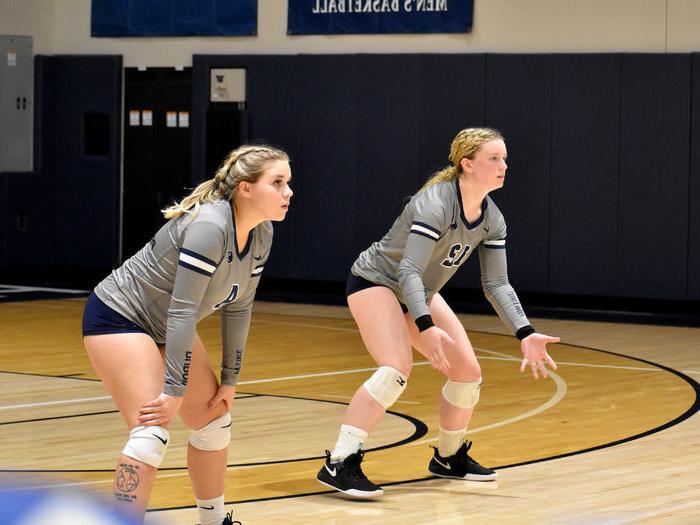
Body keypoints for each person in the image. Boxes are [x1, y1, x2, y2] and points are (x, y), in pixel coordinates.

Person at [316, 127, 559, 498]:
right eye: (494, 158)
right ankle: (340, 461)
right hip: (375, 282)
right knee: (396, 369)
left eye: (505, 158)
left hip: (419, 292)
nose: (504, 166)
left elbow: (496, 284)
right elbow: (407, 271)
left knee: (468, 373)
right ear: (467, 164)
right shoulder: (436, 203)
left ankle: (449, 457)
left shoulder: (493, 218)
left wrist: (525, 332)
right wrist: (425, 327)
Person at [83, 144, 292, 524]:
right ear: (246, 188)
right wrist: (173, 392)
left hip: (167, 325)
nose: (288, 192)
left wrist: (230, 382)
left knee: (214, 422)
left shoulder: (261, 235)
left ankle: (212, 521)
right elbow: (181, 311)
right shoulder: (210, 226)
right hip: (120, 317)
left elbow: (240, 307)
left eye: (288, 183)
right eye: (277, 183)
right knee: (150, 433)